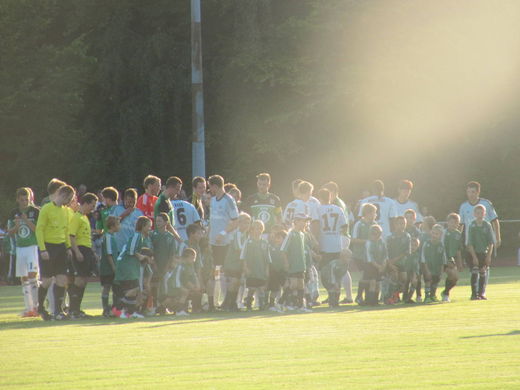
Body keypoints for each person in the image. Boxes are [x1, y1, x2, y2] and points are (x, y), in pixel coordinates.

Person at [35, 184, 76, 320]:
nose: (70, 202)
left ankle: (58, 311)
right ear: (63, 195)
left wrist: (68, 247)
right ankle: (41, 308)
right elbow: (39, 230)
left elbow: (66, 230)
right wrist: (43, 249)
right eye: (69, 198)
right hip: (48, 247)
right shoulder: (46, 209)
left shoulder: (66, 211)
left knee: (62, 279)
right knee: (46, 280)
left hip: (61, 248)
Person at [207, 175, 240, 306]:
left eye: (210, 186)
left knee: (228, 273)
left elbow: (236, 220)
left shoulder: (229, 200)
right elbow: (212, 220)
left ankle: (229, 302)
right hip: (213, 243)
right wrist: (209, 236)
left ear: (215, 186)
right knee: (213, 273)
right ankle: (211, 304)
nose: (209, 189)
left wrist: (223, 232)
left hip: (226, 243)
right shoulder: (213, 200)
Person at [7, 188, 40, 317]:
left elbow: (38, 229)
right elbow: (9, 232)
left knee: (33, 275)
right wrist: (16, 226)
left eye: (26, 199)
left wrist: (26, 220)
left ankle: (37, 307)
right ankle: (29, 308)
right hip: (20, 248)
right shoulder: (14, 213)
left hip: (32, 247)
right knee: (24, 277)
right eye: (22, 200)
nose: (24, 202)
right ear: (17, 200)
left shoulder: (35, 211)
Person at [113, 216, 153, 318]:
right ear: (143, 226)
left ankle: (131, 312)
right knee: (135, 289)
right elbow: (131, 250)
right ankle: (117, 307)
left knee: (133, 290)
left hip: (130, 266)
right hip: (127, 265)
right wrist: (143, 257)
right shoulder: (137, 235)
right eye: (149, 226)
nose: (150, 228)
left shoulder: (141, 237)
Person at [316, 188, 349, 305]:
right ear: (330, 197)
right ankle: (336, 298)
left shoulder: (318, 209)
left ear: (320, 198)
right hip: (336, 245)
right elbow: (345, 227)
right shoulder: (338, 209)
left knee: (325, 274)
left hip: (324, 246)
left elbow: (315, 226)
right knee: (337, 273)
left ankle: (331, 297)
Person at [68, 192, 98, 318]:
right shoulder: (76, 217)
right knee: (79, 280)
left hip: (87, 250)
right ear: (85, 203)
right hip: (80, 250)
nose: (93, 208)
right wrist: (77, 251)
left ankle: (77, 309)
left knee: (84, 280)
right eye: (92, 205)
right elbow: (71, 236)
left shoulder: (85, 217)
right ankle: (73, 310)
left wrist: (92, 252)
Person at [281, 213, 311, 313]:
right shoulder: (291, 234)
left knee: (301, 285)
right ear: (296, 221)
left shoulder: (302, 234)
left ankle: (300, 306)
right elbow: (283, 250)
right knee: (293, 285)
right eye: (302, 221)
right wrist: (286, 263)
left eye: (305, 221)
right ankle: (281, 302)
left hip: (301, 265)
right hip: (293, 264)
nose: (305, 223)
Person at [222, 213, 251, 311]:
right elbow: (239, 249)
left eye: (248, 223)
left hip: (239, 263)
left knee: (237, 283)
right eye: (244, 223)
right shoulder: (237, 233)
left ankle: (232, 303)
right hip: (232, 262)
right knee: (233, 282)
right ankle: (227, 303)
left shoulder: (245, 235)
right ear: (239, 223)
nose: (246, 225)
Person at [351, 203, 378, 305]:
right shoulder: (359, 224)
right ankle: (359, 297)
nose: (375, 215)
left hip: (371, 256)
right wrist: (367, 241)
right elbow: (353, 240)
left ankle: (367, 298)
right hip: (360, 255)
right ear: (367, 213)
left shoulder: (375, 224)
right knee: (366, 275)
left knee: (369, 276)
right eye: (374, 213)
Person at [458, 181, 500, 247]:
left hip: (486, 242)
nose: (470, 194)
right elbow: (460, 225)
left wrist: (498, 238)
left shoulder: (486, 203)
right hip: (470, 243)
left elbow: (495, 221)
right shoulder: (463, 206)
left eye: (473, 192)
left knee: (487, 257)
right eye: (468, 192)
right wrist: (458, 240)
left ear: (478, 192)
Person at [466, 205, 495, 300]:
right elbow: (469, 243)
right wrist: (474, 257)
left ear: (484, 214)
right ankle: (474, 294)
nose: (480, 215)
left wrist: (489, 256)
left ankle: (481, 293)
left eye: (481, 213)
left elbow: (491, 242)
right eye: (477, 213)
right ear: (474, 214)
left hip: (484, 253)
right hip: (474, 252)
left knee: (483, 271)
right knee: (475, 271)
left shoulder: (487, 225)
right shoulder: (472, 225)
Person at [241, 220, 271, 310]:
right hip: (251, 270)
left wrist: (267, 269)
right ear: (252, 230)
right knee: (251, 289)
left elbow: (268, 258)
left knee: (262, 289)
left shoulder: (265, 243)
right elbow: (243, 256)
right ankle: (249, 305)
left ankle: (262, 305)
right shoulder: (248, 242)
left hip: (261, 270)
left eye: (260, 229)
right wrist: (245, 267)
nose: (258, 231)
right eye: (256, 228)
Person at [151, 213, 177, 314]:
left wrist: (167, 267)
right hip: (154, 267)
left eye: (160, 221)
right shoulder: (153, 235)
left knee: (165, 287)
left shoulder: (170, 237)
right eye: (156, 221)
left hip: (165, 268)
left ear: (166, 222)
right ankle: (154, 306)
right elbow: (151, 251)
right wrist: (154, 265)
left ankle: (163, 307)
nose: (157, 223)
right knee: (154, 287)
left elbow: (172, 254)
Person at [162, 248, 199, 316]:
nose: (194, 260)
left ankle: (159, 309)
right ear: (187, 256)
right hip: (174, 282)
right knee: (185, 292)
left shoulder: (185, 265)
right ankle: (179, 311)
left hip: (174, 282)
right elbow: (176, 276)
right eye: (192, 258)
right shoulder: (181, 264)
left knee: (171, 299)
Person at [244, 173, 282, 237]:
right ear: (257, 184)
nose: (261, 186)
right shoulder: (251, 199)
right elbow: (246, 219)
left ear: (269, 185)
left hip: (270, 234)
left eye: (264, 185)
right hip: (254, 234)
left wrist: (276, 232)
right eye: (260, 184)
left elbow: (279, 217)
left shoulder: (275, 199)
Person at [420, 224, 450, 303]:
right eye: (433, 233)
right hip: (428, 267)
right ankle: (427, 296)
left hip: (437, 267)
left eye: (436, 234)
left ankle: (432, 295)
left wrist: (441, 270)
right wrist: (426, 269)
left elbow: (443, 259)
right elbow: (423, 257)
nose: (434, 235)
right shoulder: (427, 243)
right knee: (428, 281)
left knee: (436, 281)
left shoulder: (441, 245)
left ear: (440, 235)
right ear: (431, 233)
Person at [385, 216, 411, 304]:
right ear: (395, 225)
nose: (402, 226)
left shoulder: (407, 236)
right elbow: (385, 252)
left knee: (403, 279)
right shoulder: (390, 237)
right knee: (394, 276)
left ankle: (396, 295)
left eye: (403, 224)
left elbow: (407, 251)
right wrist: (389, 263)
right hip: (391, 263)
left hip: (402, 262)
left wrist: (396, 259)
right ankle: (389, 297)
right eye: (399, 223)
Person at [100, 216, 120, 317]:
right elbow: (109, 254)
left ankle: (114, 309)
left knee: (115, 288)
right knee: (107, 287)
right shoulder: (107, 236)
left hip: (113, 268)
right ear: (112, 226)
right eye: (118, 224)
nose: (119, 226)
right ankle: (105, 309)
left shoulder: (112, 237)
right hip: (107, 269)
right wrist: (114, 268)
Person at [364, 225, 388, 306]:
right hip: (371, 266)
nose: (375, 235)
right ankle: (370, 301)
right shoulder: (369, 243)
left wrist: (383, 264)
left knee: (378, 284)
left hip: (380, 265)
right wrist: (378, 266)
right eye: (373, 233)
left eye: (377, 233)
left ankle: (376, 301)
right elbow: (370, 257)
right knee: (373, 282)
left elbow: (385, 254)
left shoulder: (382, 242)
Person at [267, 229, 288, 312]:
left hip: (282, 271)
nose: (277, 240)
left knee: (287, 286)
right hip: (274, 271)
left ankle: (281, 302)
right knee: (274, 289)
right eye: (276, 238)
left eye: (279, 238)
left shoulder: (286, 248)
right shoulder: (271, 247)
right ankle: (271, 304)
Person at [401, 238, 421, 303]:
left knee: (414, 282)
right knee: (405, 283)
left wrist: (414, 276)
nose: (413, 247)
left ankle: (408, 298)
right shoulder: (406, 254)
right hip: (405, 272)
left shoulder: (417, 255)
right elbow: (403, 264)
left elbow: (415, 267)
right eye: (412, 245)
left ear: (418, 246)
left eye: (415, 245)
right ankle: (404, 297)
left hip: (413, 272)